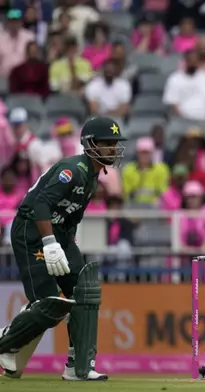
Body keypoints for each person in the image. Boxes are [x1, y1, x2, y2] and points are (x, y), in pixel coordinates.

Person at [0, 116, 127, 381]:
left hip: (60, 234)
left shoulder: (92, 179)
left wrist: (67, 245)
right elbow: (40, 205)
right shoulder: (72, 169)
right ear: (90, 144)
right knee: (49, 305)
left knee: (84, 290)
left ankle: (78, 366)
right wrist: (49, 244)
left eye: (115, 144)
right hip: (31, 231)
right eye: (108, 144)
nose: (113, 149)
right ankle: (5, 340)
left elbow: (71, 217)